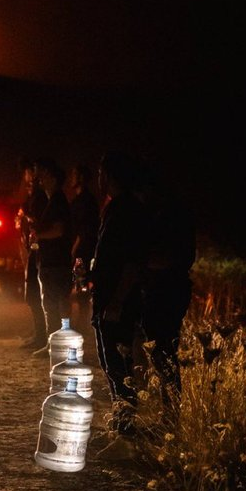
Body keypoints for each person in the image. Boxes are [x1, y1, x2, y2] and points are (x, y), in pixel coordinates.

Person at [90, 151, 150, 436]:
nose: (99, 179)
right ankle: (121, 420)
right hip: (107, 297)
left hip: (118, 301)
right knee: (109, 360)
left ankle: (126, 427)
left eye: (102, 174)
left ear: (111, 176)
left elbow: (131, 263)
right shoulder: (114, 207)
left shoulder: (127, 209)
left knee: (119, 364)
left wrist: (116, 300)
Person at [136, 166, 196, 411]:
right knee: (161, 354)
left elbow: (169, 257)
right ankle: (167, 409)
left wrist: (139, 260)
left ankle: (171, 412)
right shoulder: (166, 213)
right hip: (165, 288)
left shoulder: (171, 216)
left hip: (167, 291)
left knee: (164, 354)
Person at [29, 157, 73, 352]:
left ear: (54, 179)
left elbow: (59, 230)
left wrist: (39, 235)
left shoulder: (57, 200)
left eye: (45, 176)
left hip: (55, 262)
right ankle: (54, 344)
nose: (41, 180)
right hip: (51, 261)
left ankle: (55, 346)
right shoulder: (53, 200)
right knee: (52, 303)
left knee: (53, 304)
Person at [14, 158, 48, 349]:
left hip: (39, 250)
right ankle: (39, 333)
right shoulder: (32, 195)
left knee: (37, 294)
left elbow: (37, 220)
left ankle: (42, 337)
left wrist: (24, 215)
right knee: (33, 294)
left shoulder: (40, 197)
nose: (29, 176)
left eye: (30, 172)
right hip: (32, 249)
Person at [68, 163, 100, 291]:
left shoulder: (86, 201)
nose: (71, 178)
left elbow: (84, 229)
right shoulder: (78, 200)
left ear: (81, 178)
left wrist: (74, 249)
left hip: (82, 252)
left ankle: (83, 310)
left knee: (81, 286)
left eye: (74, 175)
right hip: (80, 251)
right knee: (79, 285)